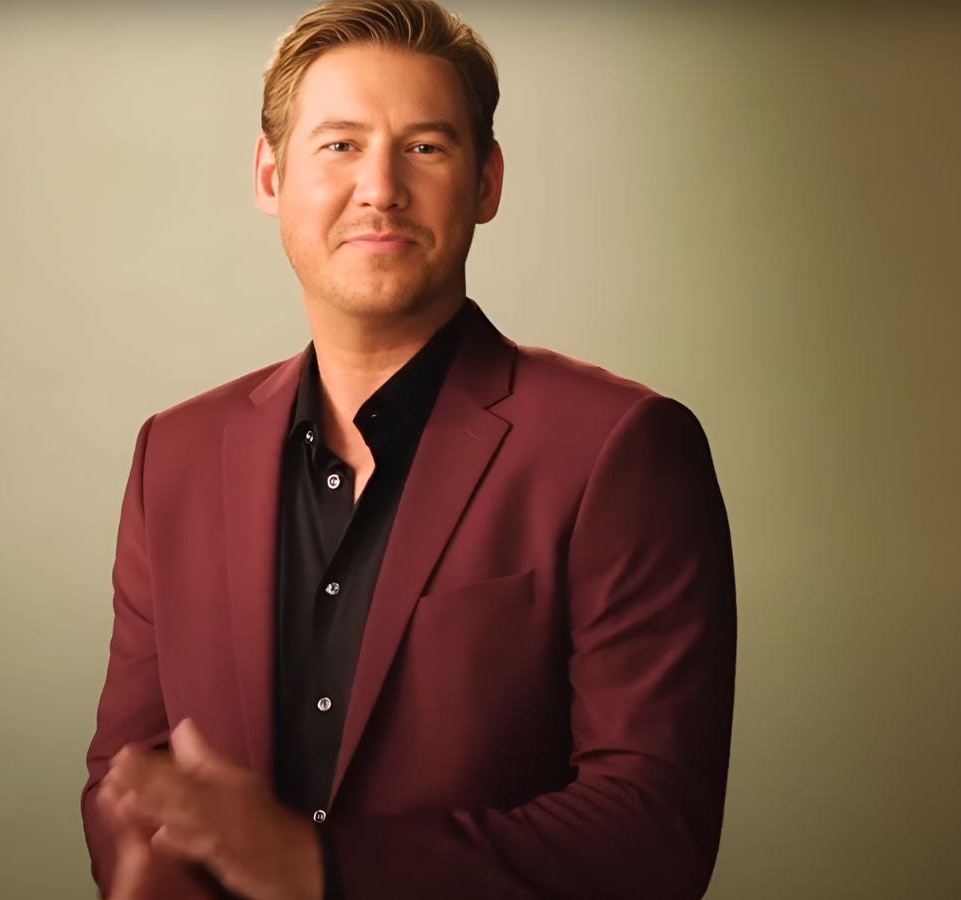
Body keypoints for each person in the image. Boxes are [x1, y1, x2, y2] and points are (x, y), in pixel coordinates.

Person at [80, 2, 737, 898]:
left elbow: (651, 827)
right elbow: (126, 775)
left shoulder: (620, 450)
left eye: (425, 147)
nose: (380, 187)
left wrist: (315, 870)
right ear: (271, 176)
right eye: (340, 145)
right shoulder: (176, 456)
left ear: (488, 183)